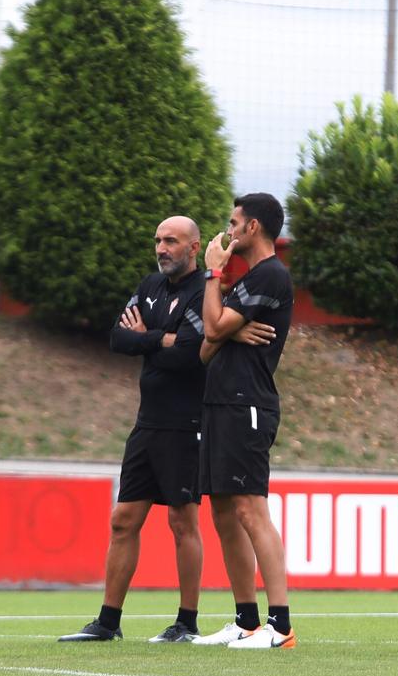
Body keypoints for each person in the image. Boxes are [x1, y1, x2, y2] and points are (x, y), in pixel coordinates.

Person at [59, 215, 271, 642]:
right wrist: (162, 338)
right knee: (124, 519)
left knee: (182, 521)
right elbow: (119, 339)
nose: (161, 248)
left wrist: (148, 337)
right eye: (158, 240)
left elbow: (193, 354)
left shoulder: (204, 291)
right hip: (148, 421)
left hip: (188, 421)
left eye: (171, 241)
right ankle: (108, 622)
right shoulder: (149, 286)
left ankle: (186, 622)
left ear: (194, 248)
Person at [192, 193, 297, 649]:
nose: (228, 230)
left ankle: (281, 626)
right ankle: (246, 619)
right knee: (223, 512)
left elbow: (213, 328)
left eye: (234, 223)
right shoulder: (248, 281)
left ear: (253, 227)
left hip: (247, 404)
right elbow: (205, 346)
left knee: (252, 509)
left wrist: (215, 275)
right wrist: (231, 324)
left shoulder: (271, 275)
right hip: (219, 403)